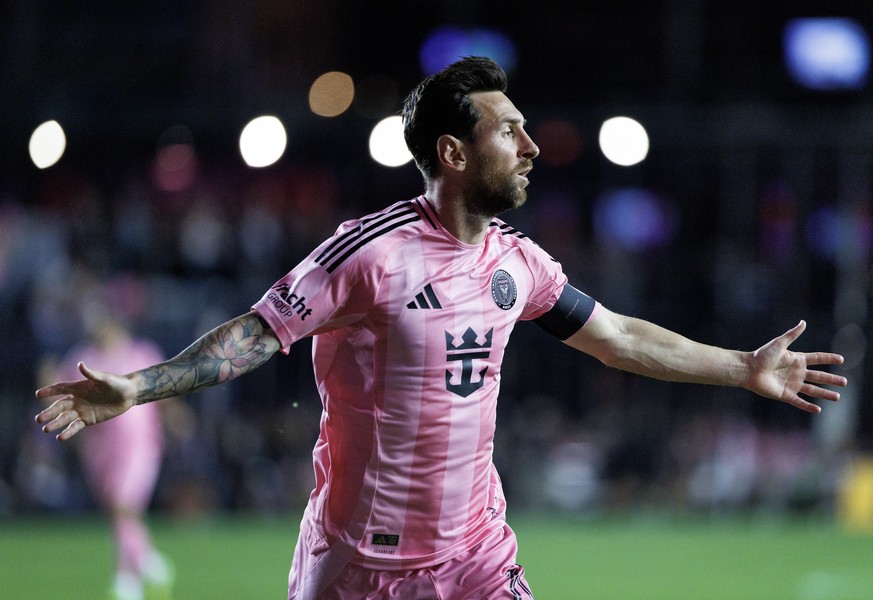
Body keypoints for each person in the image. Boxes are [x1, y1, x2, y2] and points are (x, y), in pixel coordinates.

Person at [35, 56, 847, 599]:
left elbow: (619, 338)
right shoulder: (369, 254)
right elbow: (255, 334)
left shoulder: (518, 264)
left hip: (475, 555)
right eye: (509, 131)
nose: (531, 146)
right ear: (454, 153)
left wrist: (741, 368)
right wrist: (139, 385)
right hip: (359, 566)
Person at [39, 285, 175, 600]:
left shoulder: (141, 352)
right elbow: (61, 391)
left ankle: (140, 572)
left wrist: (175, 419)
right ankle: (137, 570)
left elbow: (164, 393)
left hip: (140, 445)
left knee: (122, 506)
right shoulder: (83, 358)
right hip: (100, 449)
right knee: (118, 511)